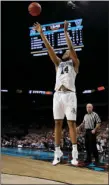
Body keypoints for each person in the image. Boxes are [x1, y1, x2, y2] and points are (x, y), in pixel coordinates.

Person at [33, 21, 80, 166]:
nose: (66, 51)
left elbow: (71, 48)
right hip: (58, 95)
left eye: (68, 51)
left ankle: (74, 153)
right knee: (57, 123)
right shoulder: (58, 64)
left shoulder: (76, 63)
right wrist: (41, 33)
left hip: (70, 95)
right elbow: (49, 49)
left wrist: (65, 33)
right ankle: (57, 152)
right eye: (65, 51)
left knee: (71, 123)